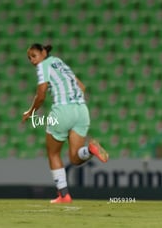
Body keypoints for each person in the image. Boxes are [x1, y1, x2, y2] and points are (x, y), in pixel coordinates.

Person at [21, 43, 109, 204]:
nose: (32, 61)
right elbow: (81, 87)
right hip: (81, 110)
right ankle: (90, 150)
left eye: (33, 56)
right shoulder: (60, 63)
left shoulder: (43, 66)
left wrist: (30, 112)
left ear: (43, 53)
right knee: (75, 158)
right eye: (29, 58)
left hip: (62, 111)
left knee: (53, 153)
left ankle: (64, 195)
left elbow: (41, 95)